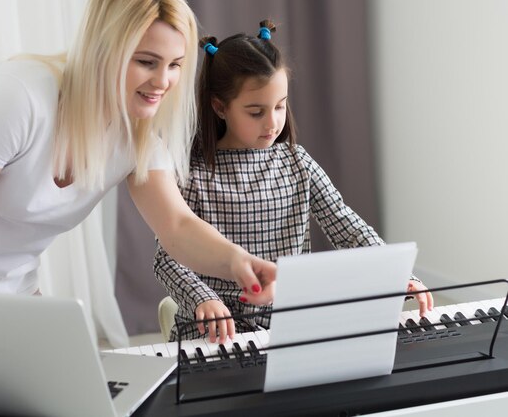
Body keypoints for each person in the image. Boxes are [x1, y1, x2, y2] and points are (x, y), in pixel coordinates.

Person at [0, 0, 277, 412]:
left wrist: (239, 263)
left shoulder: (135, 134)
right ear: (104, 49)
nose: (163, 80)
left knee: (72, 400)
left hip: (8, 285)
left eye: (176, 64)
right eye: (146, 61)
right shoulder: (17, 98)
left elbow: (176, 226)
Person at [154, 20, 433, 344]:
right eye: (256, 112)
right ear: (220, 107)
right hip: (216, 332)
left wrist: (398, 275)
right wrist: (202, 298)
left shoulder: (297, 162)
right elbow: (167, 257)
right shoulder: (194, 175)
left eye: (280, 106)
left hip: (287, 330)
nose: (272, 122)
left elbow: (346, 225)